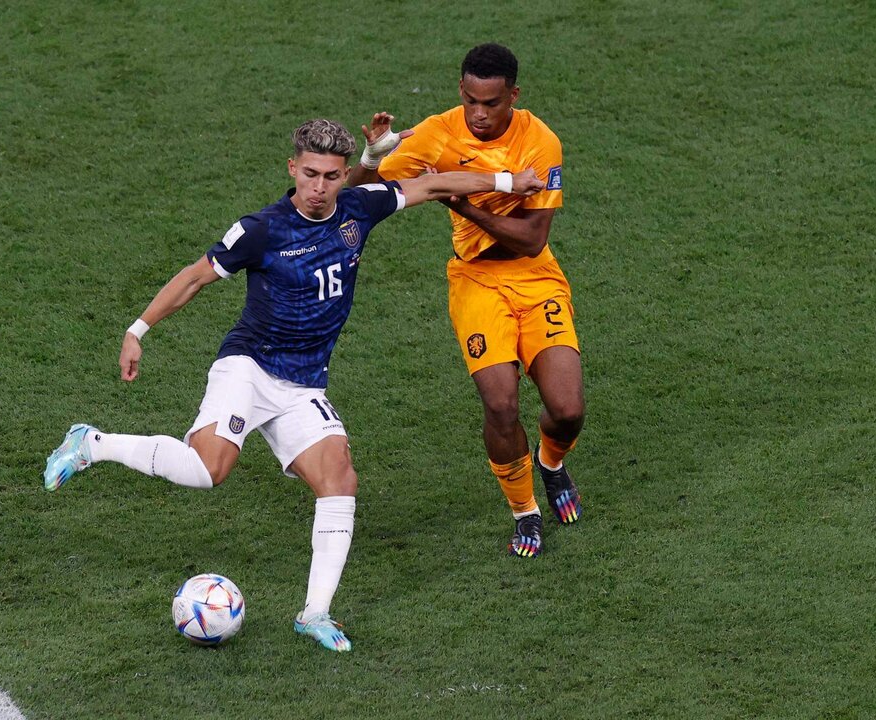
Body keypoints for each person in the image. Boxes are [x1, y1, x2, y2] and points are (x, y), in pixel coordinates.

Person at [43, 118, 544, 652]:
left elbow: (433, 184)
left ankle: (315, 614)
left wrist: (511, 183)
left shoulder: (360, 208)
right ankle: (92, 443)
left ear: (343, 174)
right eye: (310, 174)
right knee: (208, 470)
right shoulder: (261, 230)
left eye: (331, 176)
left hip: (304, 385)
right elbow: (194, 276)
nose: (319, 187)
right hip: (249, 368)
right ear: (292, 169)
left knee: (340, 482)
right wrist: (137, 330)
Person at [349, 43, 584, 559]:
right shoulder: (436, 133)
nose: (479, 114)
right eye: (472, 100)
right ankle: (525, 511)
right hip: (475, 282)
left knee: (566, 411)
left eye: (492, 103)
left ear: (513, 97)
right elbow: (354, 196)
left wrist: (461, 204)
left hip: (535, 278)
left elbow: (531, 240)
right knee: (500, 404)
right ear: (461, 90)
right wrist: (371, 158)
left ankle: (550, 463)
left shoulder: (541, 143)